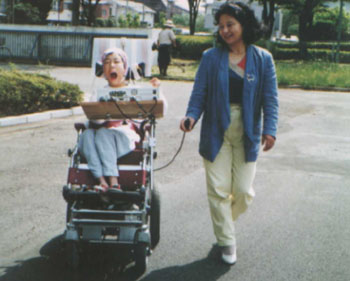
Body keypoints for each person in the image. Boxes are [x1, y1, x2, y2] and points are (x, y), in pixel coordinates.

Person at [180, 2, 278, 265]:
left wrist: (270, 129)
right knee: (219, 191)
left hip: (247, 131)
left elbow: (270, 99)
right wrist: (190, 117)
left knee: (244, 192)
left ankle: (223, 222)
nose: (225, 30)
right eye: (221, 26)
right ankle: (227, 241)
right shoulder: (211, 58)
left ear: (244, 25)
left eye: (230, 24)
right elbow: (199, 94)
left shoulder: (263, 58)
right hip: (216, 131)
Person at [79, 47, 160, 192]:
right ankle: (102, 181)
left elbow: (158, 107)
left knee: (103, 133)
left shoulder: (135, 90)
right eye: (107, 62)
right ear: (103, 70)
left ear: (124, 68)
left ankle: (113, 181)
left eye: (116, 62)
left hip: (124, 137)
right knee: (86, 135)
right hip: (100, 137)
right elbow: (94, 119)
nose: (112, 66)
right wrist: (103, 109)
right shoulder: (98, 93)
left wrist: (156, 90)